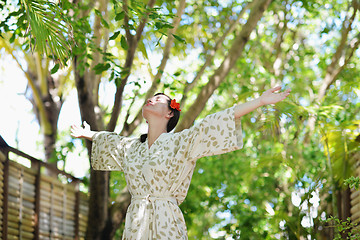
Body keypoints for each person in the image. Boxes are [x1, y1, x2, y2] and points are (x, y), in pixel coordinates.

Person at [71, 86, 291, 239]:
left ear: (169, 113)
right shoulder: (131, 147)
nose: (151, 99)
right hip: (136, 223)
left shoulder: (182, 142)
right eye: (151, 98)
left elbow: (215, 121)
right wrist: (88, 134)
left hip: (167, 220)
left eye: (159, 99)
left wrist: (260, 101)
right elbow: (110, 140)